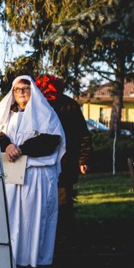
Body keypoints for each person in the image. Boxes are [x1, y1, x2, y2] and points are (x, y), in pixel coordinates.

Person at [0, 75, 65, 267]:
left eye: (25, 88)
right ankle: (12, 259)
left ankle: (34, 260)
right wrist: (8, 146)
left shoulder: (45, 113)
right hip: (11, 174)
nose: (21, 92)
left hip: (36, 177)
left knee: (32, 219)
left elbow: (51, 140)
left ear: (32, 91)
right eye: (17, 89)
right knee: (12, 218)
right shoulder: (7, 116)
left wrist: (22, 149)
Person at [34, 75, 91, 238]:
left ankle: (64, 237)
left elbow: (82, 134)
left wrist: (84, 159)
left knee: (62, 202)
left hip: (65, 162)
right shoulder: (35, 105)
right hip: (39, 163)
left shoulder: (69, 106)